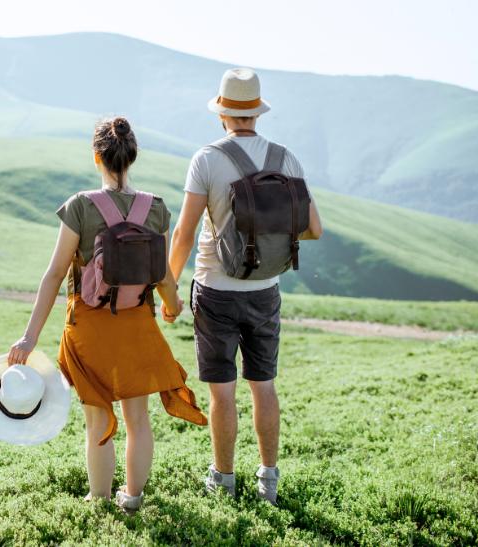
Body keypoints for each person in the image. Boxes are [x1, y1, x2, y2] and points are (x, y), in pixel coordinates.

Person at [8, 117, 207, 514]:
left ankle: (98, 500)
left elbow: (53, 275)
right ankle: (132, 498)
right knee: (138, 420)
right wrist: (171, 307)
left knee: (98, 422)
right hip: (137, 326)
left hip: (89, 329)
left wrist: (29, 338)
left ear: (96, 156)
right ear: (132, 157)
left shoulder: (80, 207)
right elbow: (165, 278)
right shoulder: (156, 209)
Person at [166, 68, 323, 505]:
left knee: (222, 391)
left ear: (222, 113)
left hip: (215, 290)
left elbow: (184, 233)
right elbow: (313, 229)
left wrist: (170, 290)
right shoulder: (285, 158)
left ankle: (223, 479)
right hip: (266, 291)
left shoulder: (207, 159)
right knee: (264, 385)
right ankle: (268, 480)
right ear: (256, 112)